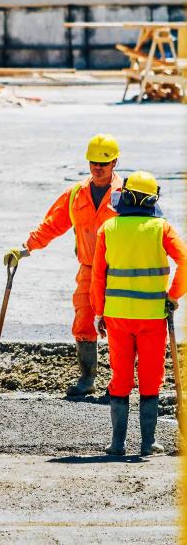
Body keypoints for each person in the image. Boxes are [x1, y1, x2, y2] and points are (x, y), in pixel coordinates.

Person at [5, 134, 122, 398]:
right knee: (83, 322)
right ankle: (87, 379)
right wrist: (26, 249)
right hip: (88, 270)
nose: (97, 167)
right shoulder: (76, 194)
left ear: (114, 162)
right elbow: (53, 224)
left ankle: (119, 384)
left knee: (118, 326)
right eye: (93, 162)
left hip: (118, 271)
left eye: (103, 163)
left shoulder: (125, 194)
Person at [91, 171, 186, 457]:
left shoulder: (108, 229)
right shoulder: (162, 228)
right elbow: (184, 262)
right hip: (153, 316)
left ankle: (117, 444)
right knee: (150, 377)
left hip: (117, 316)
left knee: (120, 377)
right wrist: (172, 296)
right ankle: (148, 443)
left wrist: (98, 313)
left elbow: (98, 277)